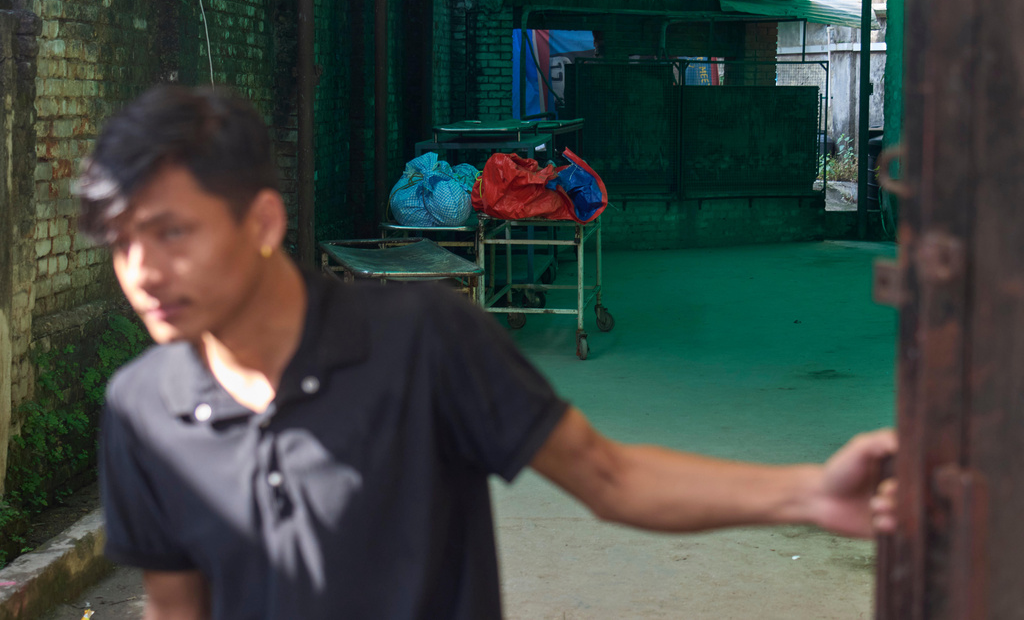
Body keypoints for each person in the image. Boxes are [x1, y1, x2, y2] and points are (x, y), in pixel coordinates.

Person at [78, 85, 898, 620]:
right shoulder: (143, 409)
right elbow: (176, 606)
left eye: (171, 233)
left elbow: (609, 477)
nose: (142, 271)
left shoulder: (422, 339)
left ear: (261, 223)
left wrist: (808, 492)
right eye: (122, 242)